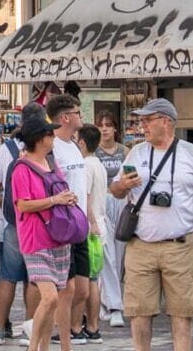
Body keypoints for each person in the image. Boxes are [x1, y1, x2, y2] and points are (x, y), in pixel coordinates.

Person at [109, 98, 193, 351]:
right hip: (141, 245)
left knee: (182, 313)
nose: (143, 125)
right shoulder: (136, 152)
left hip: (180, 245)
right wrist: (122, 186)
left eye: (148, 120)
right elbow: (114, 190)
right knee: (139, 313)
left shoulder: (191, 154)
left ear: (166, 122)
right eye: (142, 120)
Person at [11, 115, 77, 351]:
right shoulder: (21, 169)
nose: (53, 137)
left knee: (53, 300)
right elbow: (23, 205)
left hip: (58, 237)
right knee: (49, 298)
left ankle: (45, 347)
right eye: (50, 134)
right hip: (35, 239)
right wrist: (54, 200)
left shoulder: (51, 162)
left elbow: (60, 188)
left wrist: (66, 198)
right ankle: (32, 347)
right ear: (40, 139)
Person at [0, 121, 39, 346]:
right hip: (35, 223)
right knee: (33, 277)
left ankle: (0, 328)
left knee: (7, 276)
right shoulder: (43, 152)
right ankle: (29, 329)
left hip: (10, 222)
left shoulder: (7, 149)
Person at [47, 94, 88, 349]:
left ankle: (68, 329)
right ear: (65, 117)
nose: (81, 117)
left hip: (81, 225)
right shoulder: (52, 148)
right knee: (67, 290)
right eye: (77, 112)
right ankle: (63, 340)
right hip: (64, 226)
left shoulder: (73, 144)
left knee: (82, 290)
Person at [74, 124, 107, 343]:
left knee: (86, 280)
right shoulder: (99, 164)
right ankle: (92, 326)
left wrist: (91, 224)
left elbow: (84, 199)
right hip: (100, 225)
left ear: (83, 143)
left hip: (89, 227)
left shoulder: (85, 165)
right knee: (94, 279)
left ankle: (81, 326)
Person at [94, 110, 126, 328]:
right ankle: (115, 306)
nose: (105, 128)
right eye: (101, 125)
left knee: (120, 256)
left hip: (122, 202)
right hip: (102, 202)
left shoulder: (125, 151)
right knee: (107, 256)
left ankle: (106, 301)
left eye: (108, 124)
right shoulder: (93, 152)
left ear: (115, 128)